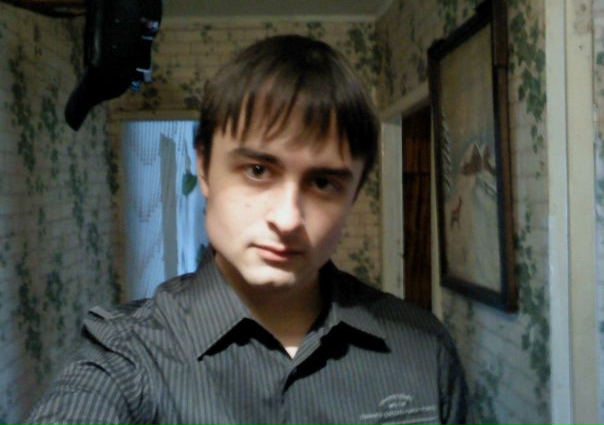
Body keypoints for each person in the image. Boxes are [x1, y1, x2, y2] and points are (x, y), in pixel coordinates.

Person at [27, 35, 468, 424]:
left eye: (322, 183)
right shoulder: (127, 355)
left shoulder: (423, 348)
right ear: (204, 168)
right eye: (258, 170)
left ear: (353, 195)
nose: (288, 219)